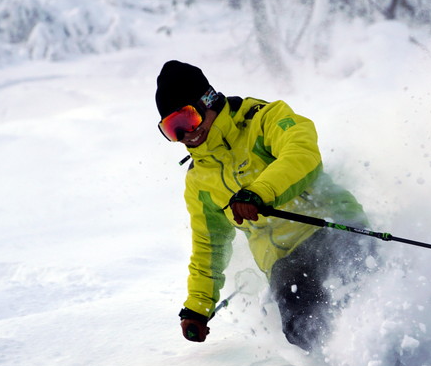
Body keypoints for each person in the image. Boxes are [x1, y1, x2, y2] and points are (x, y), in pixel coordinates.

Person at [155, 60, 374, 351]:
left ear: (208, 100)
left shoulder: (262, 120)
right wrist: (197, 306)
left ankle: (412, 339)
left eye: (187, 119)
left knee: (360, 286)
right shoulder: (199, 180)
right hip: (284, 261)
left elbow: (302, 152)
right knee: (302, 327)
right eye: (172, 129)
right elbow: (209, 244)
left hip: (332, 226)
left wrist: (259, 193)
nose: (185, 135)